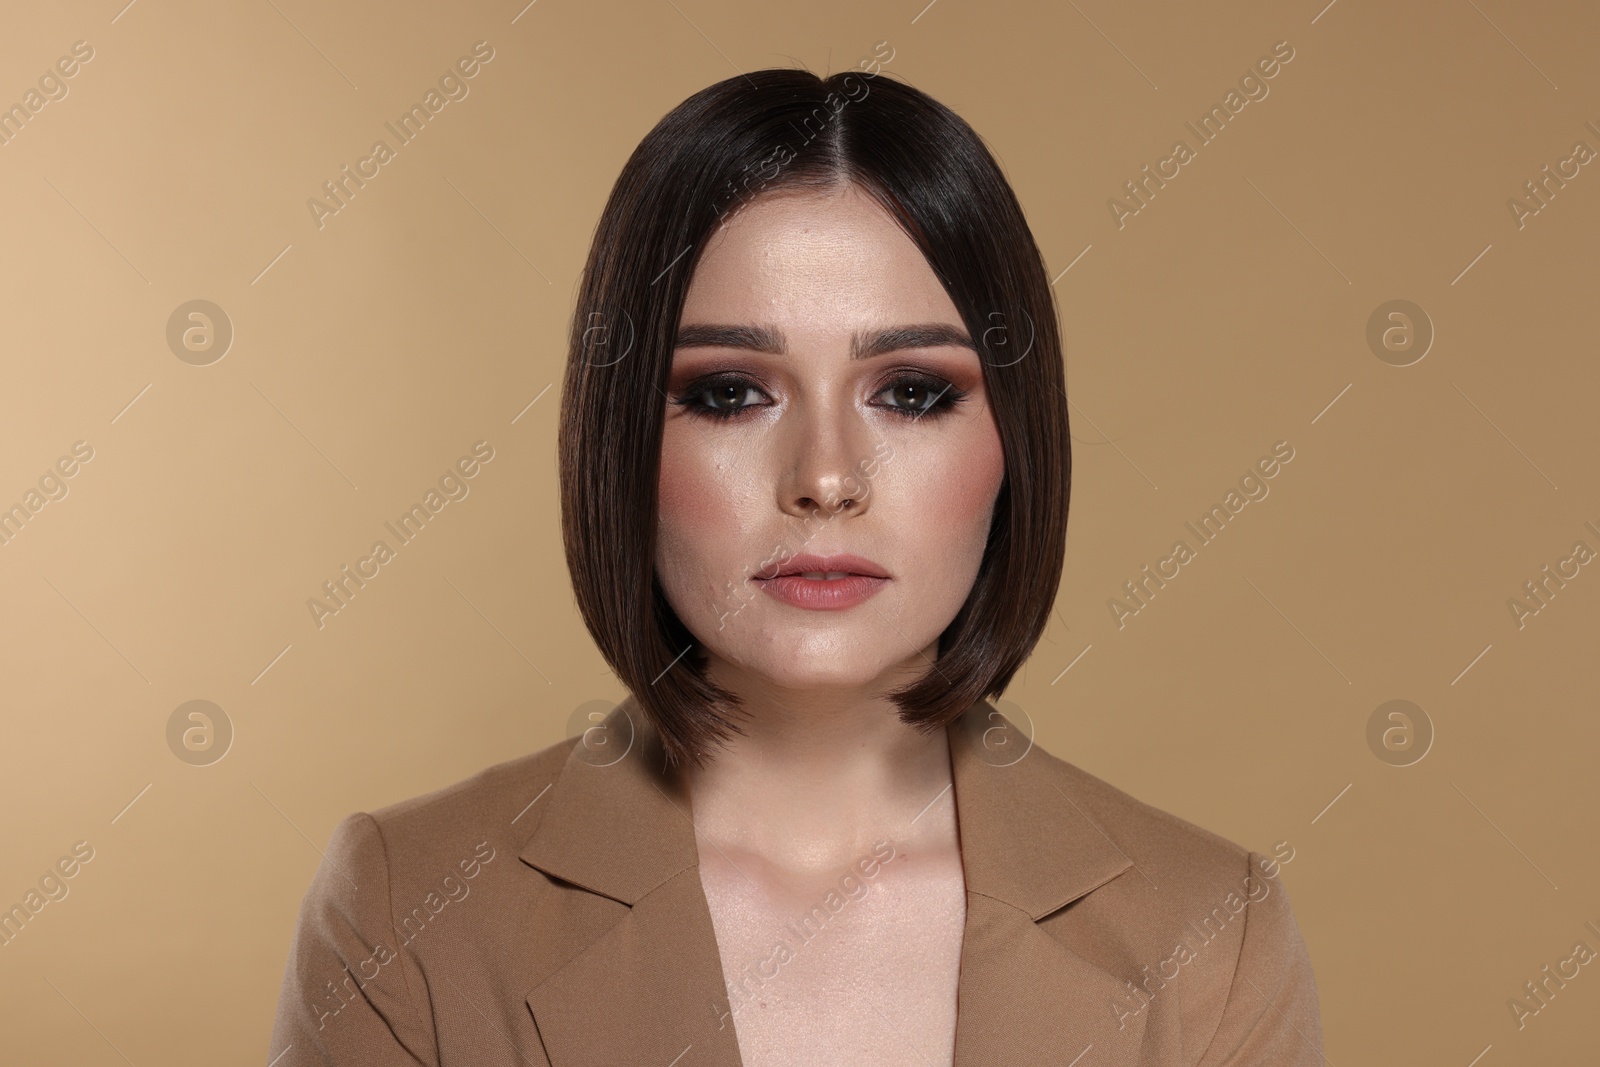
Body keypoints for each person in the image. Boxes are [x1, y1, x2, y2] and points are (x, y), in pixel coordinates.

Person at [269, 66, 1323, 1067]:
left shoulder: (1209, 936)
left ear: (1014, 441)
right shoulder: (409, 911)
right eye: (731, 391)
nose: (824, 478)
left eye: (910, 391)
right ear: (622, 440)